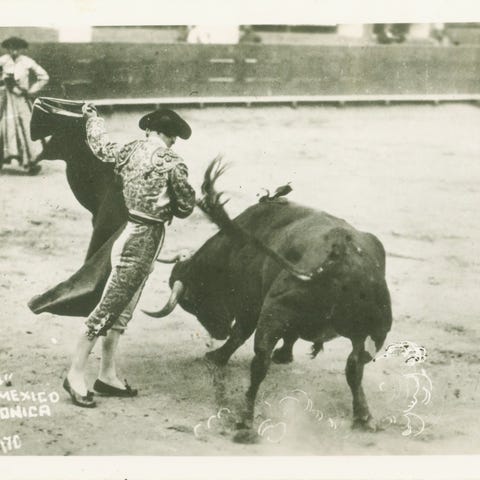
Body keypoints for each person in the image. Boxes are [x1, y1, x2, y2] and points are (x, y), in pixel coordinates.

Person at [64, 104, 196, 407]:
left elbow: (100, 146)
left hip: (131, 234)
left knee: (120, 310)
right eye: (173, 136)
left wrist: (93, 119)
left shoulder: (128, 150)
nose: (174, 141)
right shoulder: (173, 163)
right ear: (169, 135)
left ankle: (107, 374)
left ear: (149, 129)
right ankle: (74, 375)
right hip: (141, 243)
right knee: (108, 310)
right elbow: (185, 207)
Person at [0, 36, 49, 174]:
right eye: (11, 48)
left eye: (17, 49)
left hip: (22, 100)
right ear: (7, 49)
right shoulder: (3, 60)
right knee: (5, 128)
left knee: (26, 128)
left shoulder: (27, 61)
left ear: (21, 49)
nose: (14, 52)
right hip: (6, 101)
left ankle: (31, 162)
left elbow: (44, 77)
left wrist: (30, 90)